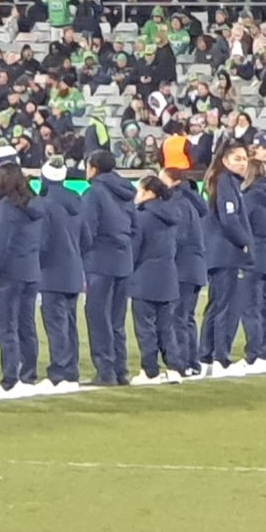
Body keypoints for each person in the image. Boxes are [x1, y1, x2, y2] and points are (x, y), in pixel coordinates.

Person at [0, 161, 46, 396]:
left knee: (7, 326)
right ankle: (28, 374)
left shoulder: (6, 207)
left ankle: (10, 377)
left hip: (9, 273)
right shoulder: (35, 205)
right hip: (31, 271)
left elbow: (1, 243)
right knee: (26, 324)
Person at [80, 151, 136, 387]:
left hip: (100, 261)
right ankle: (120, 369)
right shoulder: (126, 193)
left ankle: (106, 371)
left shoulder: (94, 193)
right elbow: (136, 226)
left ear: (92, 168)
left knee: (98, 317)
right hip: (124, 261)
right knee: (116, 319)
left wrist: (82, 256)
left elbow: (87, 230)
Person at [200, 144, 252, 376]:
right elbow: (230, 219)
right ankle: (220, 357)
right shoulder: (226, 182)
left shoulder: (223, 181)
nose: (243, 163)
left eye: (245, 159)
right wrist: (245, 242)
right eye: (237, 158)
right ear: (226, 161)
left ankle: (206, 355)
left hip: (218, 253)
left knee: (216, 304)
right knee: (225, 306)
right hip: (226, 253)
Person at [129, 174, 183, 385]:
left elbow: (135, 249)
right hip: (168, 275)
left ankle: (150, 371)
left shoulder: (142, 217)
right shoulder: (172, 215)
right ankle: (174, 368)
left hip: (145, 277)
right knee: (166, 327)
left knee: (145, 327)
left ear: (149, 192)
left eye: (140, 190)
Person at [37, 157, 83, 393]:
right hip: (74, 269)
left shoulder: (45, 205)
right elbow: (86, 237)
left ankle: (59, 372)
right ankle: (71, 371)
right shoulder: (77, 202)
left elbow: (42, 243)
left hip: (52, 272)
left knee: (56, 324)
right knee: (70, 323)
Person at [161, 166, 207, 377]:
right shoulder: (191, 201)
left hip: (182, 267)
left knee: (178, 316)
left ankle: (181, 363)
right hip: (196, 266)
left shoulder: (176, 203)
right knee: (186, 317)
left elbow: (177, 237)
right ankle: (192, 362)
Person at [241, 155, 266, 372]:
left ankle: (253, 353)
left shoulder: (250, 196)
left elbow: (242, 223)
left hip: (254, 255)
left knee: (250, 306)